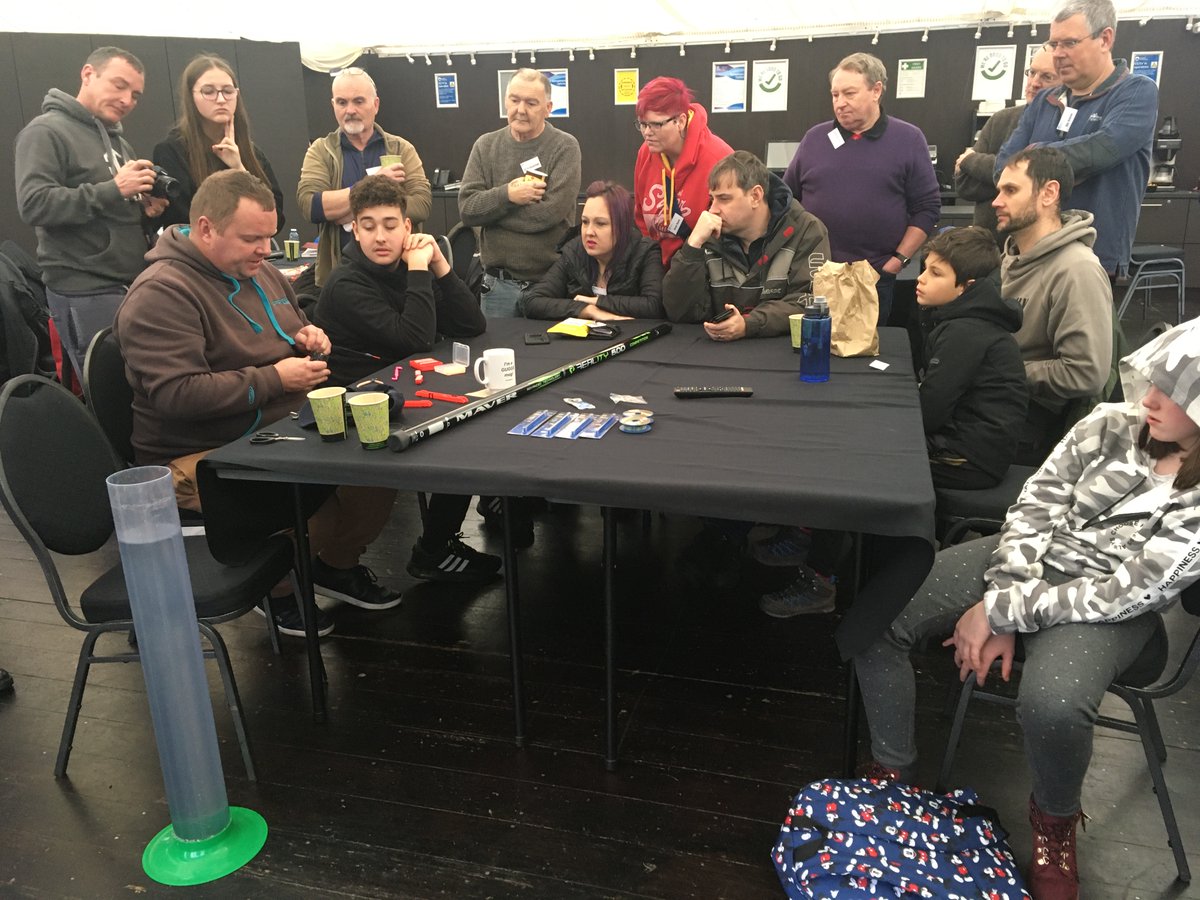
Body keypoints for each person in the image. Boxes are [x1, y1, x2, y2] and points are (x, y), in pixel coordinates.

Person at [853, 316, 1200, 900]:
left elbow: (1129, 592)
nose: (1152, 397)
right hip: (1030, 563)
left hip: (1106, 607)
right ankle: (895, 768)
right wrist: (1007, 594)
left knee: (1054, 703)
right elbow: (1037, 501)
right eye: (1154, 379)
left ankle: (1055, 820)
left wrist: (1001, 613)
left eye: (1178, 391)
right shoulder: (1112, 423)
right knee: (876, 619)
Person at [113, 170, 402, 638]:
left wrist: (307, 337)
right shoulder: (161, 293)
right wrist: (273, 378)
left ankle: (333, 566)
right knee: (316, 509)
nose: (266, 249)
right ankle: (279, 589)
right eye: (252, 238)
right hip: (199, 452)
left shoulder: (260, 270)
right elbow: (177, 395)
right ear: (206, 228)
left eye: (269, 236)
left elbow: (288, 328)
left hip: (276, 428)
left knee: (379, 465)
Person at [313, 175, 499, 583]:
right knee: (458, 443)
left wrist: (441, 267)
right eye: (369, 225)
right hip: (360, 410)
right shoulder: (346, 284)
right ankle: (432, 548)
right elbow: (413, 340)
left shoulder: (407, 266)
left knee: (469, 435)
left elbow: (472, 324)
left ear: (407, 227)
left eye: (390, 224)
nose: (381, 236)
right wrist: (418, 271)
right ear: (354, 229)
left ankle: (436, 544)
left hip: (402, 391)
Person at [15, 46, 168, 380]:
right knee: (110, 390)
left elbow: (108, 206)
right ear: (88, 74)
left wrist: (145, 210)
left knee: (139, 386)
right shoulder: (45, 132)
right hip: (85, 289)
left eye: (136, 94)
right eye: (119, 85)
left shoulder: (117, 142)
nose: (128, 99)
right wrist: (115, 189)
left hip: (127, 283)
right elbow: (34, 203)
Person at [996, 0, 1158, 277]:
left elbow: (1103, 150)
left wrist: (1033, 154)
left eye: (1069, 43)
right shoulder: (1045, 101)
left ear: (1105, 38)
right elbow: (1003, 165)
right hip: (1031, 252)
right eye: (1054, 44)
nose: (1058, 54)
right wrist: (1059, 164)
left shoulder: (1136, 93)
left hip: (1092, 256)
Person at [782, 52, 940, 325]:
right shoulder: (815, 139)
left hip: (874, 277)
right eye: (835, 95)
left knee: (865, 357)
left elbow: (927, 208)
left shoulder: (908, 139)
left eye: (849, 94)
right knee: (813, 350)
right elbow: (786, 199)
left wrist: (898, 261)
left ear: (876, 90)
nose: (840, 103)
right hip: (816, 275)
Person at [994, 147, 1113, 465]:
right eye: (998, 190)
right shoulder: (1011, 257)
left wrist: (999, 370)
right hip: (1002, 397)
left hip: (1031, 422)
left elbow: (1086, 373)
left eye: (1010, 190)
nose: (996, 201)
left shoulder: (1077, 269)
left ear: (1049, 193)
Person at [662, 151, 830, 341]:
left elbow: (808, 302)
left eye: (724, 199)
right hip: (715, 356)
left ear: (755, 196)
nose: (712, 209)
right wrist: (692, 246)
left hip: (783, 355)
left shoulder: (806, 230)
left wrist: (749, 323)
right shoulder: (708, 234)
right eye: (712, 198)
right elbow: (679, 311)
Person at [458, 69, 582, 318]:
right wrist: (508, 196)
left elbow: (549, 214)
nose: (520, 109)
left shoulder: (564, 147)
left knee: (552, 357)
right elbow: (468, 209)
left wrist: (491, 216)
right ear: (505, 101)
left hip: (549, 285)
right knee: (496, 354)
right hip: (497, 286)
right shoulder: (485, 146)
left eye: (531, 102)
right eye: (514, 100)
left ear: (548, 108)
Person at [914, 226, 1027, 489]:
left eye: (935, 273)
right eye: (925, 269)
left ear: (967, 287)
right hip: (971, 447)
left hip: (971, 460)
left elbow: (930, 413)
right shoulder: (960, 320)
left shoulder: (965, 332)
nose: (921, 279)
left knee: (877, 460)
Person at [298, 66, 431, 287]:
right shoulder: (320, 151)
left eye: (358, 101)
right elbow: (310, 206)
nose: (350, 110)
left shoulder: (401, 149)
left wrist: (346, 211)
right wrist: (374, 184)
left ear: (375, 104)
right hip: (340, 278)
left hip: (398, 278)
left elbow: (422, 205)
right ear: (333, 106)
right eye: (342, 102)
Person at [153, 54, 286, 232]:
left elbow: (275, 220)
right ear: (191, 96)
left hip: (247, 256)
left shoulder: (251, 152)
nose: (221, 99)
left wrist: (239, 168)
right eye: (208, 92)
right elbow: (184, 221)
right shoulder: (171, 151)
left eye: (228, 91)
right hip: (196, 257)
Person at [954, 49, 1060, 241]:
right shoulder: (1001, 119)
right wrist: (1019, 185)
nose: (1035, 83)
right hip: (988, 246)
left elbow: (1044, 184)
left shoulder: (1062, 127)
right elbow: (964, 185)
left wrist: (972, 161)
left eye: (1047, 76)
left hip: (1038, 247)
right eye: (1031, 72)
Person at [524, 180, 664, 321]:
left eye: (600, 223)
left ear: (622, 227)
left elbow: (653, 306)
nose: (589, 232)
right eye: (585, 222)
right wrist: (587, 310)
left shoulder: (646, 252)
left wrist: (598, 301)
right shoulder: (574, 251)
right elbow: (533, 301)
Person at [632, 77, 733, 266]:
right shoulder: (646, 153)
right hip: (656, 269)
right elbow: (640, 221)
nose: (647, 133)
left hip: (702, 270)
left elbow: (731, 234)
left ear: (680, 121)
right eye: (643, 124)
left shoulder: (719, 159)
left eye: (656, 124)